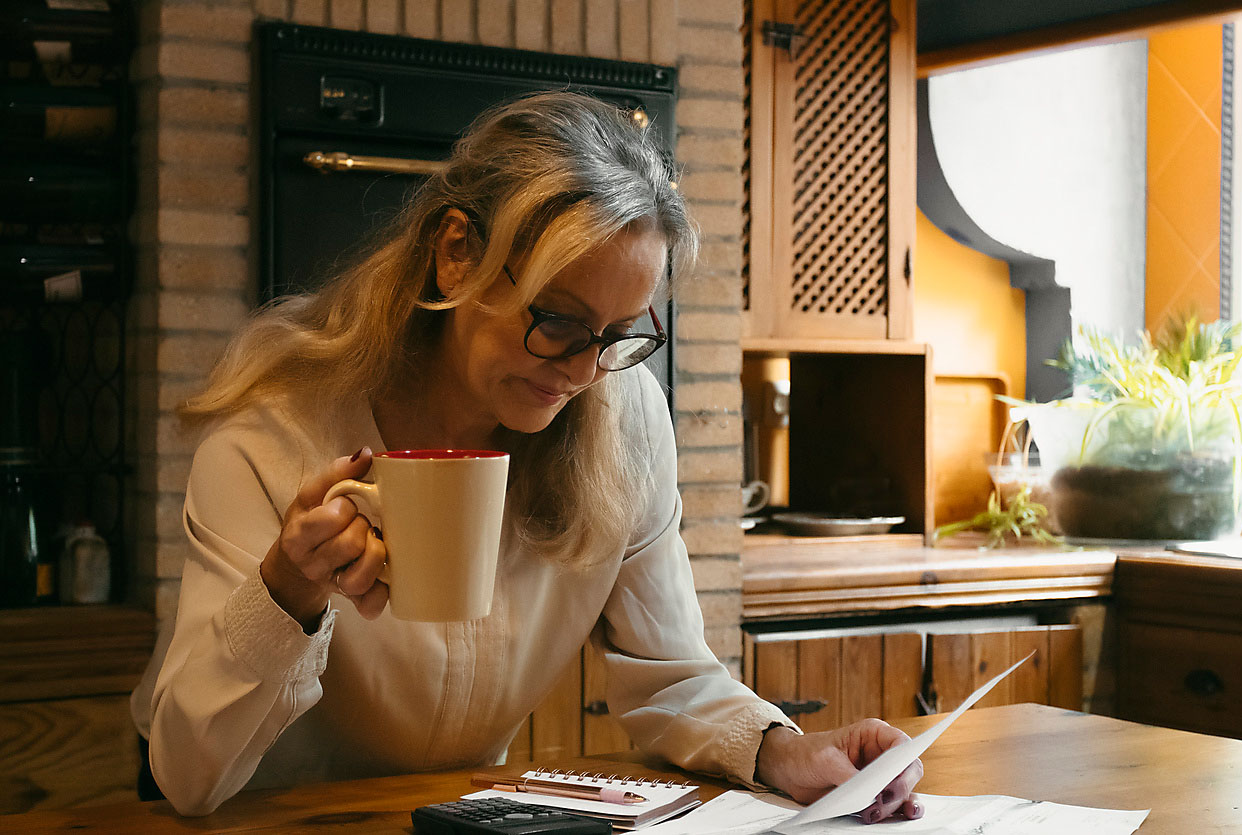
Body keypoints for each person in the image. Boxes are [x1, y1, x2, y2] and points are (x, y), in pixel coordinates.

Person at [129, 91, 924, 822]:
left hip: (458, 818)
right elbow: (188, 773)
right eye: (560, 320)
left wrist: (787, 751)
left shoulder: (624, 415)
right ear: (456, 254)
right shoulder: (272, 430)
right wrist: (287, 589)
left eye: (618, 336)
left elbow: (671, 674)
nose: (583, 372)